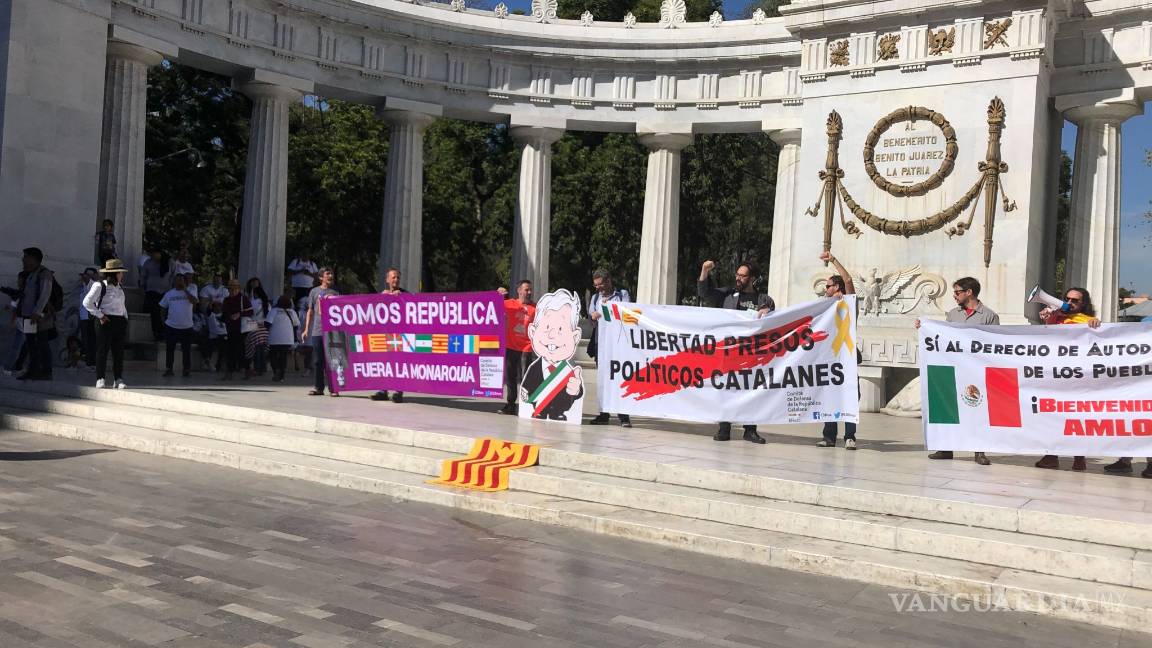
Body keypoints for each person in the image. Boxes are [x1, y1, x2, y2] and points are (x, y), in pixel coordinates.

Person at [916, 276, 999, 465]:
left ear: (969, 292)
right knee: (949, 408)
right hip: (954, 368)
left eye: (957, 292)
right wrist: (924, 329)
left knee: (978, 409)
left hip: (977, 370)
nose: (954, 295)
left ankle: (979, 451)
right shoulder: (953, 314)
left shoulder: (989, 316)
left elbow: (995, 344)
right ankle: (946, 448)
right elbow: (943, 337)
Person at [697, 259, 775, 444]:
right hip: (729, 354)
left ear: (753, 278)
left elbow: (775, 320)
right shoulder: (727, 295)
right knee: (726, 389)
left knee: (752, 391)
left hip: (753, 356)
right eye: (737, 275)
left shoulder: (764, 299)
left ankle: (750, 430)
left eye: (743, 275)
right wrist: (704, 271)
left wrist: (769, 311)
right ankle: (724, 428)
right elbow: (704, 293)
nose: (738, 278)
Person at [1036, 286, 1101, 471]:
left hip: (1078, 377)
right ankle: (1051, 456)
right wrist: (1048, 319)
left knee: (1077, 417)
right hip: (1055, 375)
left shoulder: (1089, 321)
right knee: (1052, 416)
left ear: (1083, 303)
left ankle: (1079, 457)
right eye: (1067, 299)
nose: (1069, 303)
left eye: (1075, 300)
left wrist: (1097, 326)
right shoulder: (1056, 317)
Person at [815, 251, 861, 450]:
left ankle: (850, 436)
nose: (825, 289)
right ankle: (829, 436)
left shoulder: (848, 303)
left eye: (828, 286)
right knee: (829, 394)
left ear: (837, 287)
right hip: (829, 357)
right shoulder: (823, 306)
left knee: (849, 395)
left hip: (847, 356)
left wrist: (833, 260)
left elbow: (848, 279)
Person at [519, 289, 584, 421]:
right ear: (533, 332)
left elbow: (577, 392)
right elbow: (527, 384)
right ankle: (540, 411)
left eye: (561, 329)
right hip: (537, 408)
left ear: (575, 336)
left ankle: (557, 411)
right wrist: (525, 393)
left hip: (561, 410)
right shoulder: (534, 368)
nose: (552, 335)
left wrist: (576, 390)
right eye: (547, 327)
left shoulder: (568, 370)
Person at [586, 269, 632, 428]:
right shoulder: (595, 298)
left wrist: (609, 309)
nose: (598, 288)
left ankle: (624, 416)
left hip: (618, 344)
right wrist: (593, 315)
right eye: (596, 285)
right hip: (601, 344)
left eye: (600, 284)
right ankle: (603, 414)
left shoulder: (622, 294)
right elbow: (591, 312)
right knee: (603, 379)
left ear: (608, 281)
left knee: (619, 379)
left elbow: (626, 311)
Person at [82, 258, 129, 389]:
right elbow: (87, 302)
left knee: (118, 352)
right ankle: (100, 378)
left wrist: (125, 317)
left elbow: (121, 305)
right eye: (120, 272)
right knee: (102, 350)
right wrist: (100, 315)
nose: (122, 275)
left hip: (119, 321)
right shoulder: (100, 285)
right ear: (114, 273)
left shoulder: (120, 287)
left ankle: (118, 379)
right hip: (105, 320)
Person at [16, 247, 57, 381]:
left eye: (26, 257)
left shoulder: (44, 274)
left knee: (41, 343)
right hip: (28, 316)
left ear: (33, 259)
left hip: (39, 317)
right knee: (30, 344)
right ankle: (32, 370)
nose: (23, 260)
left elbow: (45, 294)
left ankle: (46, 371)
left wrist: (37, 312)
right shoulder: (31, 274)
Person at [498, 280, 536, 415]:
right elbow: (492, 305)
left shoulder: (536, 307)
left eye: (530, 290)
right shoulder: (510, 304)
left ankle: (526, 405)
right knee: (510, 377)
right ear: (519, 291)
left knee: (526, 378)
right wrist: (498, 294)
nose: (529, 292)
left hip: (526, 348)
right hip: (510, 346)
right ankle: (510, 404)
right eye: (526, 290)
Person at [371, 267, 408, 403]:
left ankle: (398, 392)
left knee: (398, 363)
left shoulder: (404, 294)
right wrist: (381, 298)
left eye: (398, 277)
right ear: (387, 280)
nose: (396, 280)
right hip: (384, 334)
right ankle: (383, 391)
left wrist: (402, 298)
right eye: (393, 277)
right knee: (383, 363)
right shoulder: (382, 295)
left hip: (399, 336)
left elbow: (414, 307)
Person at [301, 268, 339, 396]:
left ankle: (334, 388)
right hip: (317, 330)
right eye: (328, 274)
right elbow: (310, 311)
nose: (330, 275)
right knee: (318, 361)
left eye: (331, 273)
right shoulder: (314, 292)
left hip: (332, 331)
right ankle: (319, 387)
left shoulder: (336, 292)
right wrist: (306, 329)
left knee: (332, 360)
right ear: (321, 277)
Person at [159, 273, 199, 377]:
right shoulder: (169, 294)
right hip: (171, 326)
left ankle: (186, 369)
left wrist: (185, 289)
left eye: (181, 280)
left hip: (187, 326)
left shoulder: (191, 291)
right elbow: (162, 307)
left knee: (186, 349)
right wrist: (164, 321)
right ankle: (169, 369)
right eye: (177, 280)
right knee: (170, 348)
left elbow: (195, 301)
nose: (179, 282)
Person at [220, 279, 253, 381]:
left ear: (239, 289)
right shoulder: (226, 300)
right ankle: (229, 372)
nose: (233, 291)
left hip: (241, 329)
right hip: (230, 328)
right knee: (230, 350)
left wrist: (239, 314)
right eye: (231, 289)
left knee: (240, 350)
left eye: (235, 289)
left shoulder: (243, 299)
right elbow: (224, 313)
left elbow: (250, 311)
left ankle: (246, 370)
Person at [139, 249, 170, 341]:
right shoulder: (148, 263)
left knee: (160, 313)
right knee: (150, 312)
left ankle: (161, 332)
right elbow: (143, 276)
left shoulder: (169, 262)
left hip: (164, 293)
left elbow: (173, 276)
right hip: (151, 292)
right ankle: (149, 332)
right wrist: (142, 287)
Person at [244, 277, 270, 378]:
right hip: (251, 323)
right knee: (254, 346)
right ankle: (255, 367)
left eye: (256, 283)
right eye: (252, 283)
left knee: (260, 346)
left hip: (261, 324)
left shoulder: (263, 298)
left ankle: (259, 367)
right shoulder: (247, 296)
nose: (254, 284)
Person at [77, 267, 98, 369]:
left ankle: (92, 362)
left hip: (90, 317)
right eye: (86, 274)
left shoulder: (94, 286)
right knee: (85, 340)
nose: (87, 276)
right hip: (83, 316)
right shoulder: (83, 286)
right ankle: (88, 361)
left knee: (91, 340)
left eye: (90, 275)